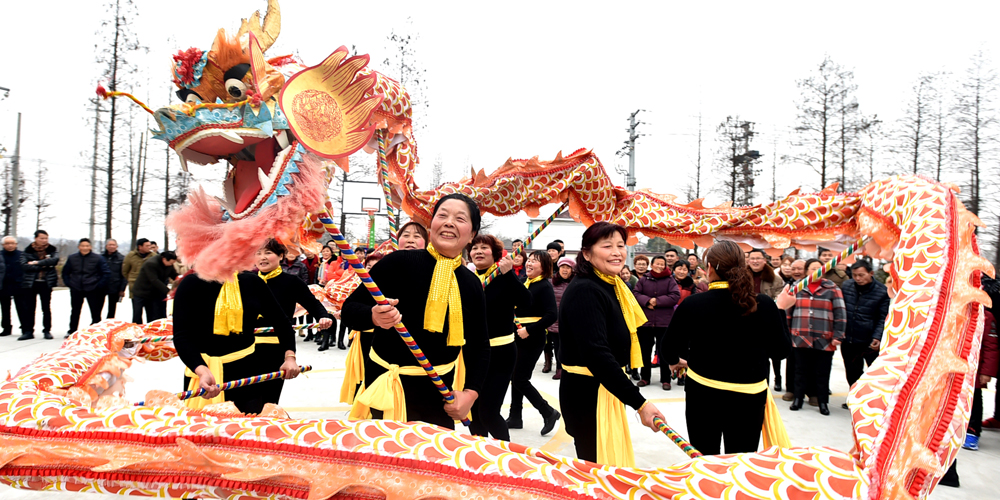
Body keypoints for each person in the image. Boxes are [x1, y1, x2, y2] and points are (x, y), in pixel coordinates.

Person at [342, 193, 489, 428]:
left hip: (439, 397)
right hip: (384, 389)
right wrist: (373, 316)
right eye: (443, 215)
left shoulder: (471, 284)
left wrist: (471, 393)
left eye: (460, 218)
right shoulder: (397, 262)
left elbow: (479, 344)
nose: (449, 222)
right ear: (431, 225)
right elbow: (350, 309)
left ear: (471, 234)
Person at [665, 240, 793, 455]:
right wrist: (779, 309)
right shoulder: (763, 304)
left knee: (704, 459)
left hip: (703, 394)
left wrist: (675, 361)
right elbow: (781, 351)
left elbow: (668, 347)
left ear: (710, 268)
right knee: (741, 460)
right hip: (749, 399)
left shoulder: (693, 304)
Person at [558, 222, 665, 466]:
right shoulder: (586, 289)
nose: (617, 252)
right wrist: (640, 403)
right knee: (597, 469)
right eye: (607, 246)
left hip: (604, 388)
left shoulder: (612, 285)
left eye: (621, 245)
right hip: (587, 395)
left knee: (606, 467)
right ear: (587, 253)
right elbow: (596, 354)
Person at [172, 263, 299, 414]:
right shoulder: (191, 283)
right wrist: (201, 370)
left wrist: (290, 356)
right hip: (202, 372)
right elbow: (182, 335)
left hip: (246, 372)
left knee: (247, 431)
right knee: (203, 433)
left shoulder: (252, 282)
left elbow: (281, 322)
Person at [253, 239, 334, 402]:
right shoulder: (248, 280)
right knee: (244, 398)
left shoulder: (291, 282)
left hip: (276, 346)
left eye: (268, 253)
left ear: (281, 255)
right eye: (258, 253)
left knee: (268, 399)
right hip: (246, 347)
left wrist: (324, 316)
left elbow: (312, 303)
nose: (262, 257)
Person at [468, 234, 529, 441]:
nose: (478, 251)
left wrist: (509, 274)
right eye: (474, 248)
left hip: (500, 353)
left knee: (488, 412)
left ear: (495, 254)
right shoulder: (467, 279)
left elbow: (526, 302)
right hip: (472, 354)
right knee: (474, 413)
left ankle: (507, 457)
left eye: (484, 248)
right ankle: (479, 457)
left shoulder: (503, 277)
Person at [507, 250, 561, 435]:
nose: (529, 263)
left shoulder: (544, 286)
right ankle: (515, 416)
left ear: (544, 267)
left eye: (534, 261)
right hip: (518, 335)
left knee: (520, 378)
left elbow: (552, 314)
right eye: (528, 260)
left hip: (533, 337)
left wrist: (529, 330)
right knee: (515, 376)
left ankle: (548, 412)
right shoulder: (525, 283)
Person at [786, 258, 846, 415]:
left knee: (822, 371)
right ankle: (798, 398)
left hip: (824, 337)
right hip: (801, 335)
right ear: (806, 271)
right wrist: (788, 332)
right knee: (800, 370)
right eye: (812, 269)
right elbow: (788, 312)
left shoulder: (832, 288)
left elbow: (840, 313)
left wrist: (838, 334)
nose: (816, 272)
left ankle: (822, 402)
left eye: (819, 269)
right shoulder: (797, 287)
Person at [839, 260, 890, 408]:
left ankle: (873, 401)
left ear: (871, 273)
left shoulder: (882, 291)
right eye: (855, 275)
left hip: (868, 340)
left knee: (874, 372)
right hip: (849, 338)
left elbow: (882, 317)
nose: (858, 278)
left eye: (861, 275)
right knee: (852, 371)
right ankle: (855, 399)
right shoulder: (847, 286)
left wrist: (877, 337)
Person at [633, 255, 680, 389]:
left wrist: (656, 301)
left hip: (664, 322)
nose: (660, 266)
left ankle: (666, 380)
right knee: (645, 351)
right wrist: (647, 301)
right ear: (652, 265)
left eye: (662, 264)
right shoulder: (644, 279)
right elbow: (635, 294)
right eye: (657, 264)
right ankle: (645, 378)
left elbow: (675, 296)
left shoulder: (670, 280)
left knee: (663, 351)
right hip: (646, 322)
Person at [964, 309, 998, 451]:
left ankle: (972, 432)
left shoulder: (986, 317)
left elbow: (992, 347)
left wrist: (986, 372)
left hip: (975, 370)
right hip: (955, 367)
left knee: (974, 401)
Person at [62, 238, 110, 336]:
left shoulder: (98, 258)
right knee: (75, 310)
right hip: (76, 287)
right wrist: (69, 283)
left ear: (90, 247)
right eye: (82, 246)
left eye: (87, 246)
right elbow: (65, 272)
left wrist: (99, 285)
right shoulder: (72, 258)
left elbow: (106, 273)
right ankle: (72, 330)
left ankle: (97, 331)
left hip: (93, 288)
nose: (85, 248)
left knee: (95, 311)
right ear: (79, 247)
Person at [20, 230, 59, 340]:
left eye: (46, 238)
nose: (44, 241)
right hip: (31, 283)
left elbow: (54, 260)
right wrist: (44, 265)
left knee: (46, 308)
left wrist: (36, 262)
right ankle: (28, 331)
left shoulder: (52, 250)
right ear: (36, 238)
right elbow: (24, 266)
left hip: (46, 283)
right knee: (30, 308)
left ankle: (47, 330)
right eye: (41, 238)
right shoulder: (27, 251)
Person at [132, 251, 179, 322]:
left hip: (154, 293)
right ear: (164, 259)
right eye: (171, 263)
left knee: (152, 314)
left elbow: (174, 274)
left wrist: (180, 279)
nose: (171, 265)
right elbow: (154, 280)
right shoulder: (151, 263)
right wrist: (168, 291)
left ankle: (151, 329)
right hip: (141, 291)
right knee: (137, 314)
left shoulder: (169, 264)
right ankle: (137, 329)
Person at [549, 256, 575, 380]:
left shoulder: (576, 282)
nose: (565, 270)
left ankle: (568, 367)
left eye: (568, 268)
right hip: (555, 320)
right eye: (562, 267)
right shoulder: (552, 282)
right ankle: (559, 368)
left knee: (569, 346)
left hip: (571, 321)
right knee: (557, 345)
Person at [122, 238, 156, 324]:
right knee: (137, 313)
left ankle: (151, 331)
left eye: (150, 245)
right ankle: (137, 332)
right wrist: (132, 280)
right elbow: (125, 271)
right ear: (140, 247)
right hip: (136, 290)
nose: (149, 247)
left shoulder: (154, 256)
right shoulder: (131, 256)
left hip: (150, 289)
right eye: (147, 245)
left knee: (151, 313)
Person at [1, 236, 25, 338]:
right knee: (5, 308)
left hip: (18, 285)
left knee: (22, 308)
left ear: (16, 244)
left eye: (12, 243)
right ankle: (6, 328)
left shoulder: (21, 255)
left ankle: (25, 328)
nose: (10, 245)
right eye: (7, 243)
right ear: (3, 245)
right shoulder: (0, 255)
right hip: (3, 285)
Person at [102, 239, 127, 319]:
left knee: (112, 308)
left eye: (113, 245)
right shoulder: (100, 258)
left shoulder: (121, 258)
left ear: (116, 246)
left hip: (115, 286)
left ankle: (109, 324)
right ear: (106, 246)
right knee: (97, 307)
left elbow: (124, 275)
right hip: (101, 286)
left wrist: (122, 289)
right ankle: (97, 324)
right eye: (110, 245)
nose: (111, 246)